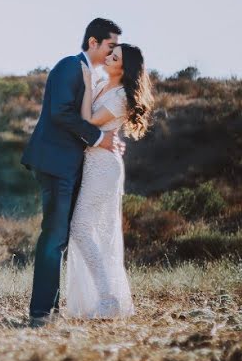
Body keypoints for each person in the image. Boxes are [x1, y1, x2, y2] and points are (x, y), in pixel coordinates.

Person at [20, 17, 124, 328]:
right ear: (93, 42)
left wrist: (108, 136)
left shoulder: (91, 74)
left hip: (71, 165)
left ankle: (49, 310)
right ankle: (41, 313)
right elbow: (60, 111)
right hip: (54, 163)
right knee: (54, 237)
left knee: (60, 237)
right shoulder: (70, 65)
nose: (112, 52)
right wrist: (99, 138)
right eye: (110, 46)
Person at [65, 42, 153, 318]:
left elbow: (89, 121)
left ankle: (108, 297)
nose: (109, 56)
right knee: (92, 230)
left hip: (104, 168)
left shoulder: (121, 97)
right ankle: (100, 298)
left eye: (115, 57)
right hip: (90, 163)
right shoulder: (104, 83)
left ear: (124, 68)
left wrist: (88, 81)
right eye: (111, 53)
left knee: (81, 227)